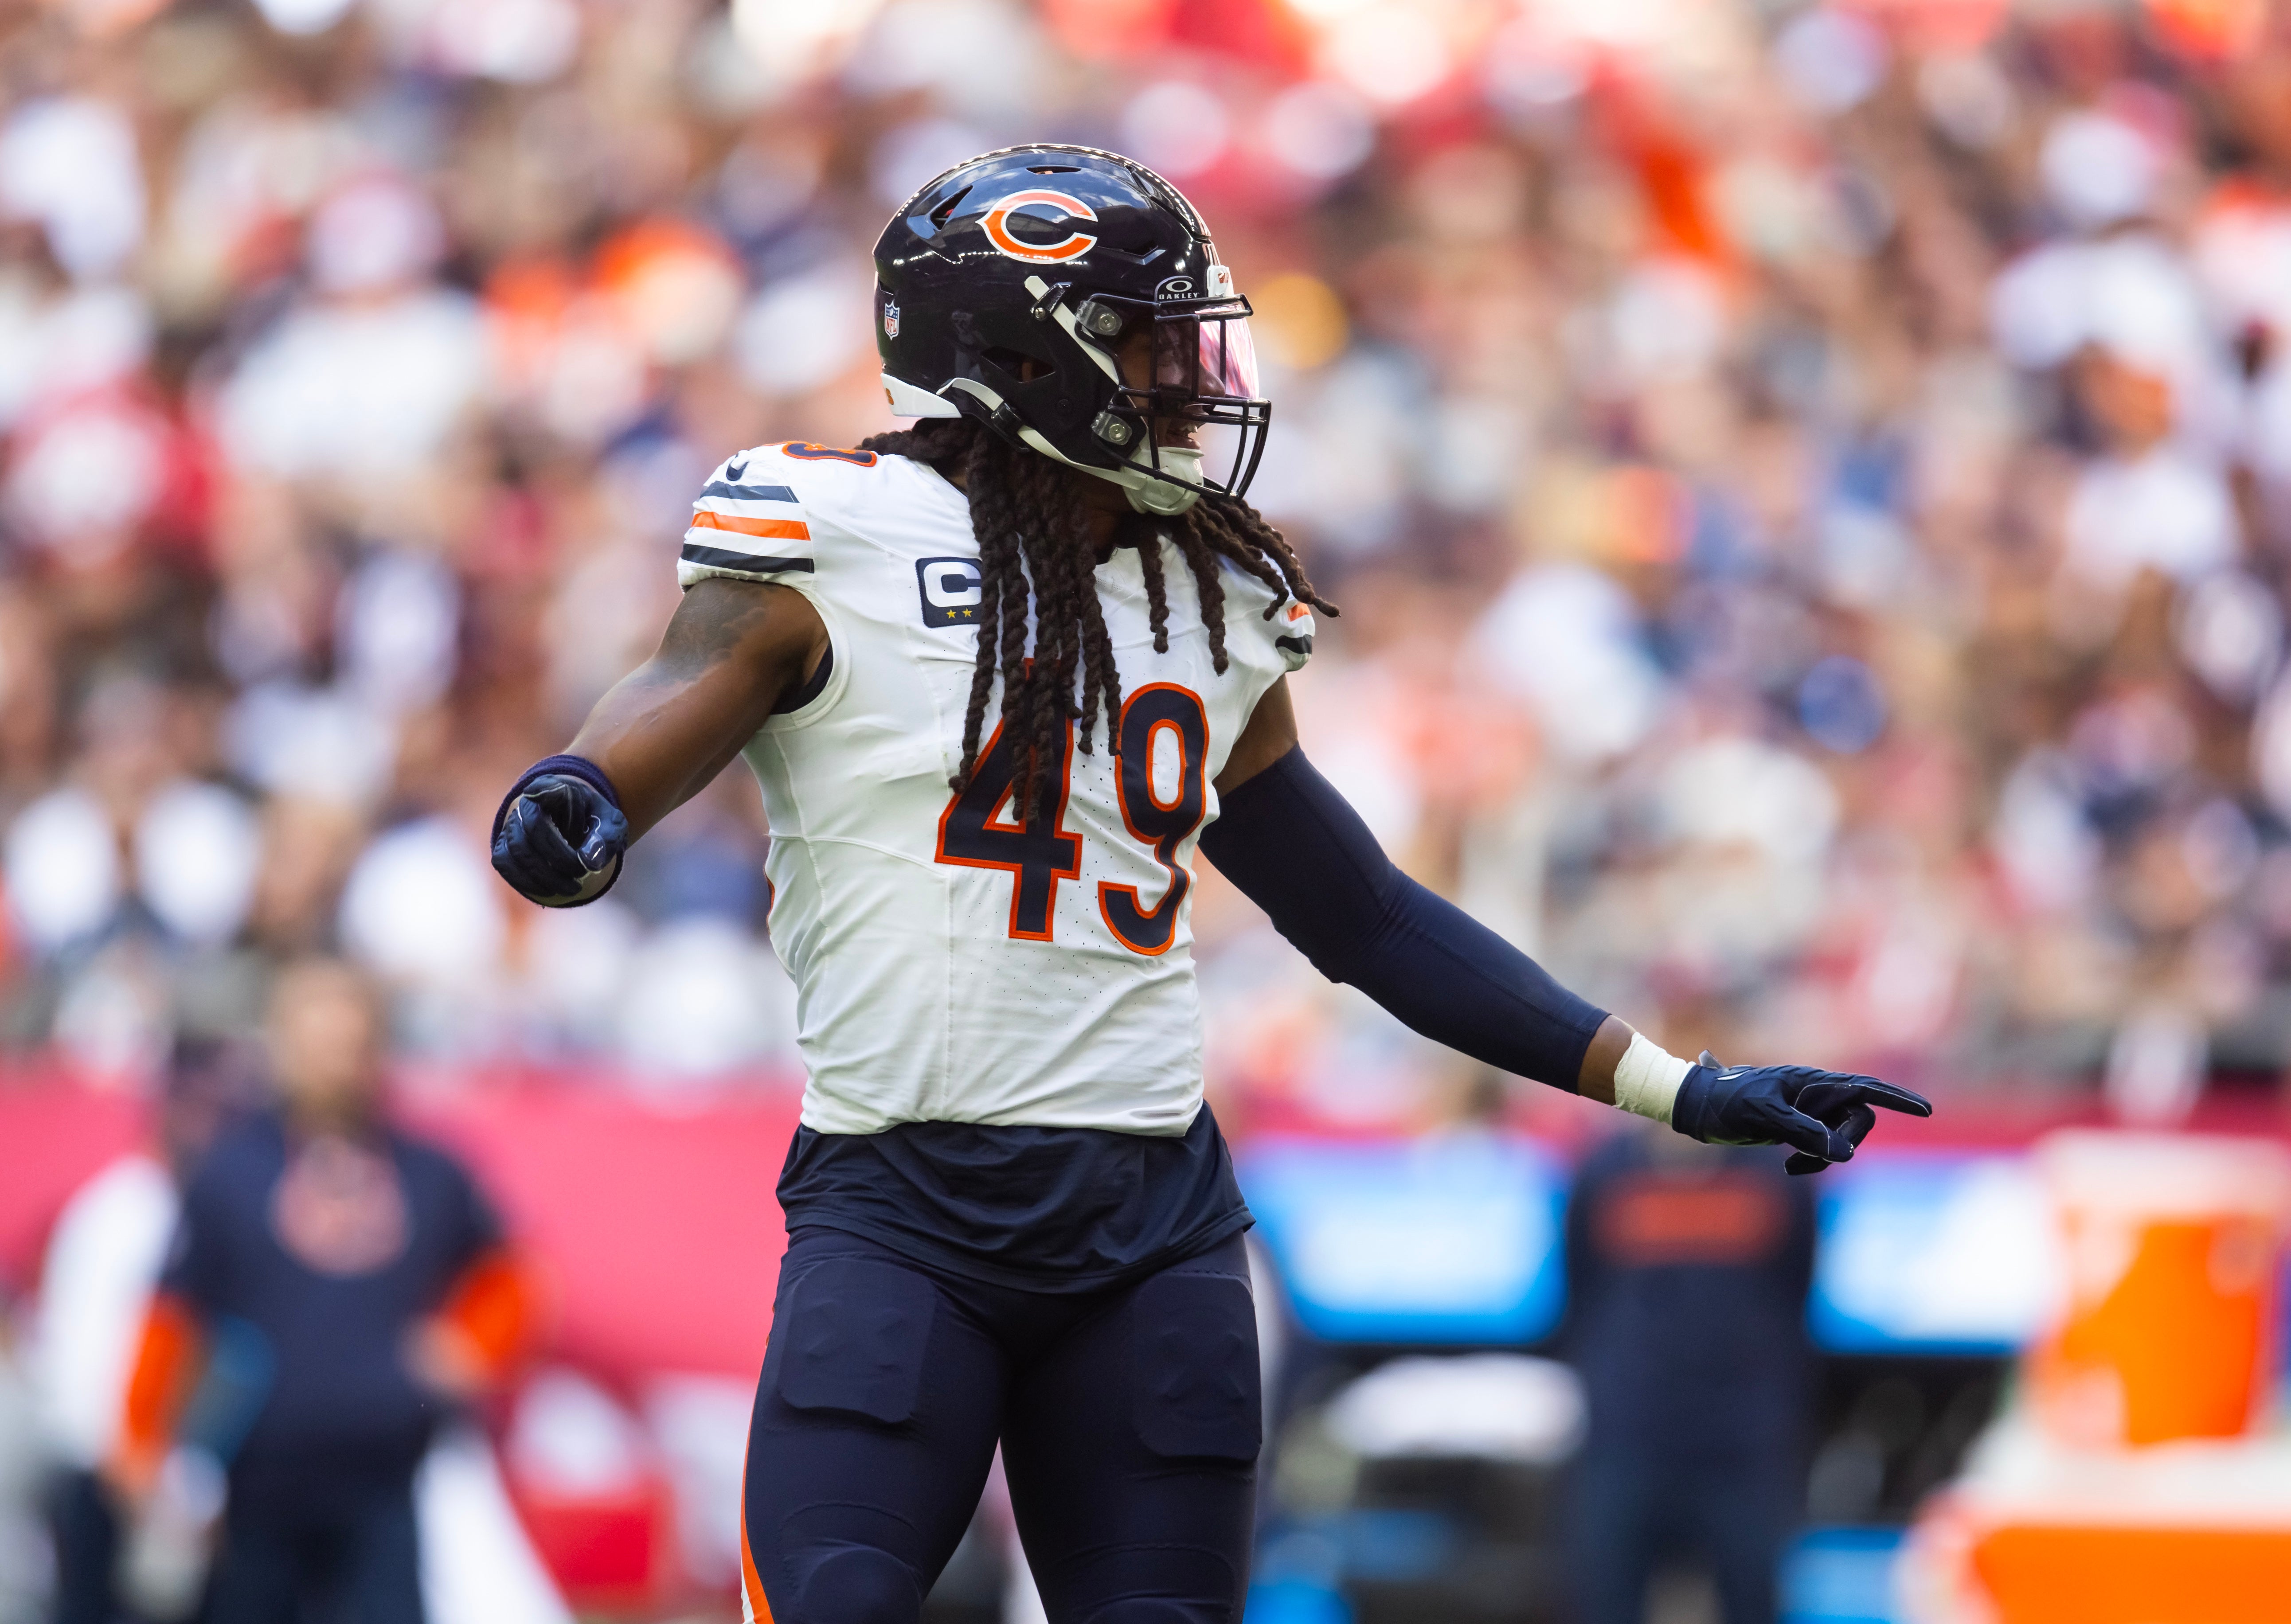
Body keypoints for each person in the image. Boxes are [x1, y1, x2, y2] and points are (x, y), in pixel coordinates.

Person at [489, 144, 1929, 1624]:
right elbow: (680, 686)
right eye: (1146, 341)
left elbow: (1365, 916)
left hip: (1149, 1223)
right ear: (1015, 360)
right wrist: (582, 794)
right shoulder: (832, 527)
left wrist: (1678, 1089)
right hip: (901, 1207)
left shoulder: (1213, 588)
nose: (1193, 380)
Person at [110, 958, 533, 1624]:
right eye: (318, 1042)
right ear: (282, 1045)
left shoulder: (429, 1170)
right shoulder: (232, 1170)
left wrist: (469, 1346)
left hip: (384, 1482)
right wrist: (141, 1449)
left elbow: (511, 1274)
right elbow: (173, 1314)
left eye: (351, 1041)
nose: (336, 1062)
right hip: (255, 1487)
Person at [1563, 1126, 1818, 1624]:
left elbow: (1795, 1288)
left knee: (1752, 1599)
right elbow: (1582, 1290)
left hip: (1743, 1442)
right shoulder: (1605, 1169)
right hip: (1626, 1436)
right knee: (1605, 1598)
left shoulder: (1777, 1173)